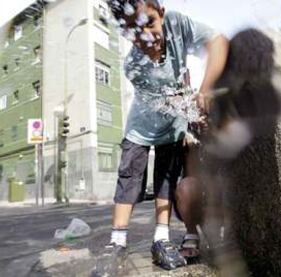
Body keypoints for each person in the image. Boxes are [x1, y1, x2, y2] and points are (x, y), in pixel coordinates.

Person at [95, 0, 229, 273]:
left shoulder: (178, 25)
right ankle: (117, 242)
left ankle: (161, 239)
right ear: (124, 33)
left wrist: (204, 90)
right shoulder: (133, 65)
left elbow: (218, 42)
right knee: (129, 181)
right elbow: (166, 102)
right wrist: (189, 109)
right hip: (140, 131)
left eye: (150, 23)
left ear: (162, 14)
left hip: (170, 129)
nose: (145, 37)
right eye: (133, 31)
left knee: (165, 182)